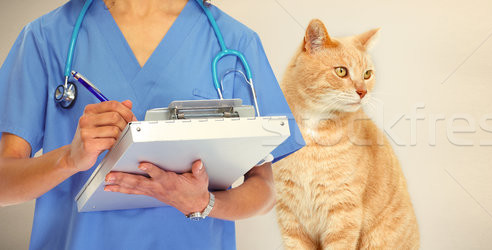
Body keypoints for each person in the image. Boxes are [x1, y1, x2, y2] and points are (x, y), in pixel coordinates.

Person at [0, 0, 304, 249]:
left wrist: (205, 203)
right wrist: (67, 159)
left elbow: (264, 190)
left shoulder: (233, 41)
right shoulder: (47, 37)